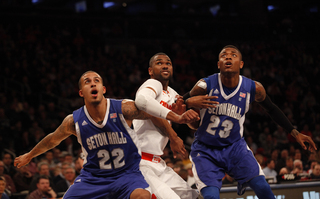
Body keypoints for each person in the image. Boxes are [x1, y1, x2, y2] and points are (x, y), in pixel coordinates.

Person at [14, 70, 198, 199]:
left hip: (126, 175)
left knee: (143, 196)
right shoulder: (74, 121)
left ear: (103, 89)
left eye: (97, 80)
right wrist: (29, 155)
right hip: (93, 178)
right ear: (81, 92)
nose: (92, 83)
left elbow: (152, 112)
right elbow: (52, 140)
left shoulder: (123, 109)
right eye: (87, 82)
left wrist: (176, 119)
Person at [181, 45, 317, 199]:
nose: (228, 57)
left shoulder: (254, 88)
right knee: (211, 196)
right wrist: (190, 102)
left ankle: (244, 177)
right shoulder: (204, 85)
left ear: (241, 64)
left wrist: (295, 132)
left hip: (234, 148)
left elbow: (271, 109)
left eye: (233, 55)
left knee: (263, 188)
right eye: (224, 55)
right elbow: (177, 103)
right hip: (206, 151)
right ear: (218, 64)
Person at [134, 53, 201, 199]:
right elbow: (142, 102)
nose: (165, 65)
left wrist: (189, 113)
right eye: (159, 63)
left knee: (194, 196)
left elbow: (189, 124)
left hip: (158, 162)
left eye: (168, 63)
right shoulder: (152, 84)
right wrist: (173, 135)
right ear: (150, 71)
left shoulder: (172, 94)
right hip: (140, 162)